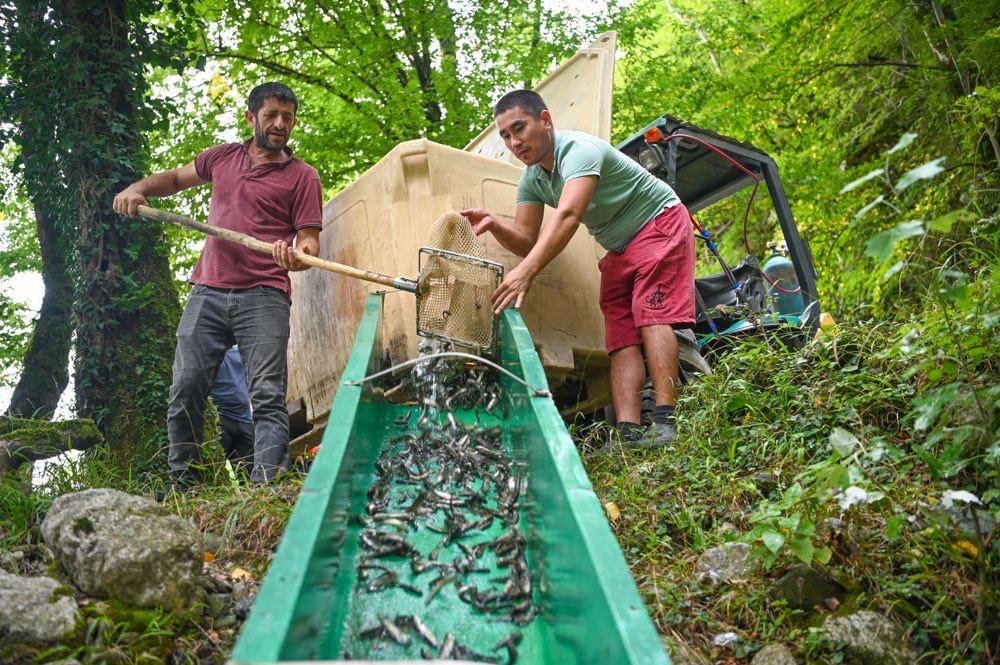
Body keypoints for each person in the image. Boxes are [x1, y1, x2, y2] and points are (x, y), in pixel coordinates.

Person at [113, 82, 322, 485]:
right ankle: (184, 484)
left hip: (265, 294)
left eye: (288, 117)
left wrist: (297, 254)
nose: (280, 124)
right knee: (186, 388)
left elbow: (309, 238)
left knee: (266, 395)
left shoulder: (303, 177)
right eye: (271, 115)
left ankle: (267, 486)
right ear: (251, 118)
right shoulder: (223, 158)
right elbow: (174, 179)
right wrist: (137, 189)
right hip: (207, 291)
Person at [460, 90, 695, 447]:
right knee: (619, 335)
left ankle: (666, 423)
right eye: (505, 135)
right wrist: (494, 224)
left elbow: (569, 216)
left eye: (519, 128)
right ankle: (629, 433)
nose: (514, 141)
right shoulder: (533, 180)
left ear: (546, 119)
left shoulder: (579, 151)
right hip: (619, 245)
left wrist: (527, 272)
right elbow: (525, 238)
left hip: (659, 222)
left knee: (650, 313)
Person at [211, 347, 254, 480]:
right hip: (221, 418)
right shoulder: (207, 354)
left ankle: (249, 499)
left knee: (249, 473)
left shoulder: (241, 354)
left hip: (245, 419)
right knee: (216, 469)